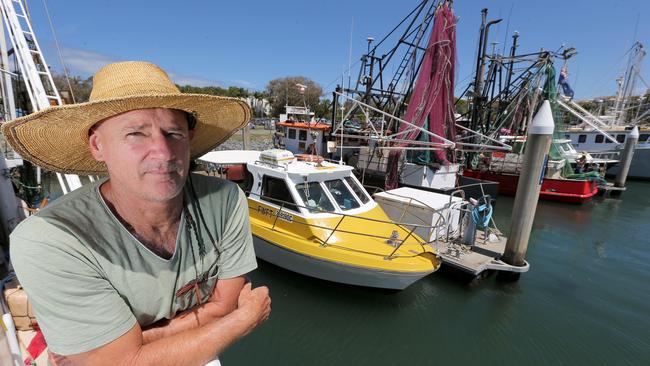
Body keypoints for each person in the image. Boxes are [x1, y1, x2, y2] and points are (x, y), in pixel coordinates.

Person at [1, 61, 271, 365]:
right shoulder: (49, 239)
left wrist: (135, 343)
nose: (163, 151)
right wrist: (242, 321)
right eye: (136, 134)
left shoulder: (225, 200)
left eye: (173, 133)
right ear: (98, 146)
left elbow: (224, 305)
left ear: (189, 140)